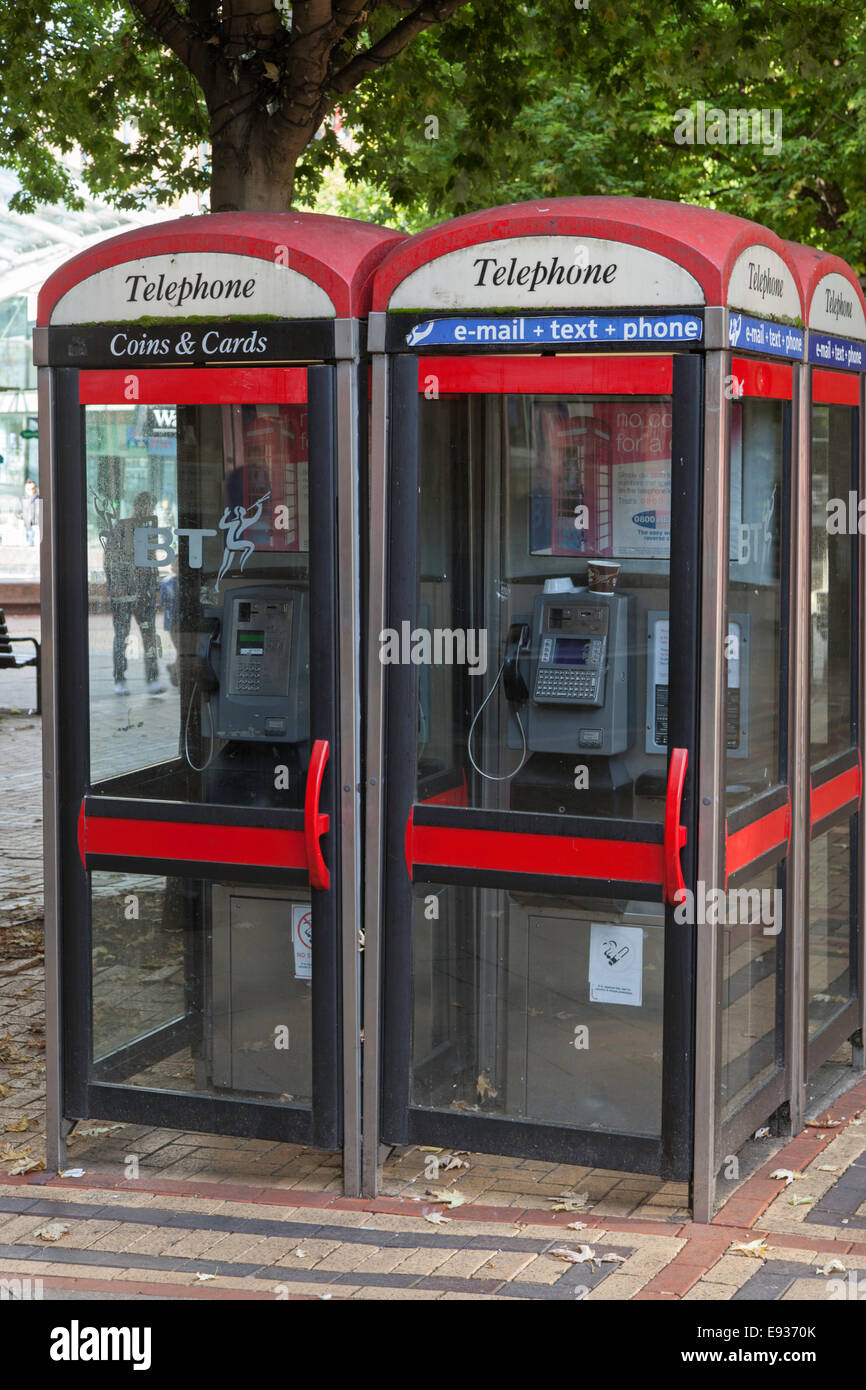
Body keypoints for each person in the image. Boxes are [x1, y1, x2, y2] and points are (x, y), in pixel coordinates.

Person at [104, 491, 166, 696]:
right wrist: (117, 585)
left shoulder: (147, 529)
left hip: (144, 590)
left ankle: (151, 678)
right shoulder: (122, 527)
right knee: (122, 635)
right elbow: (111, 560)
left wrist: (153, 586)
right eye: (147, 507)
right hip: (124, 590)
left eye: (152, 508)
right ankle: (120, 679)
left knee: (148, 634)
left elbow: (150, 561)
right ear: (138, 506)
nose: (150, 511)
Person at [19, 479, 40, 546]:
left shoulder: (39, 498)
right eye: (28, 489)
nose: (30, 491)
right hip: (27, 527)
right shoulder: (22, 499)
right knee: (28, 546)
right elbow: (17, 512)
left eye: (32, 488)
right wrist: (23, 518)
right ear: (25, 489)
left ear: (35, 488)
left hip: (37, 526)